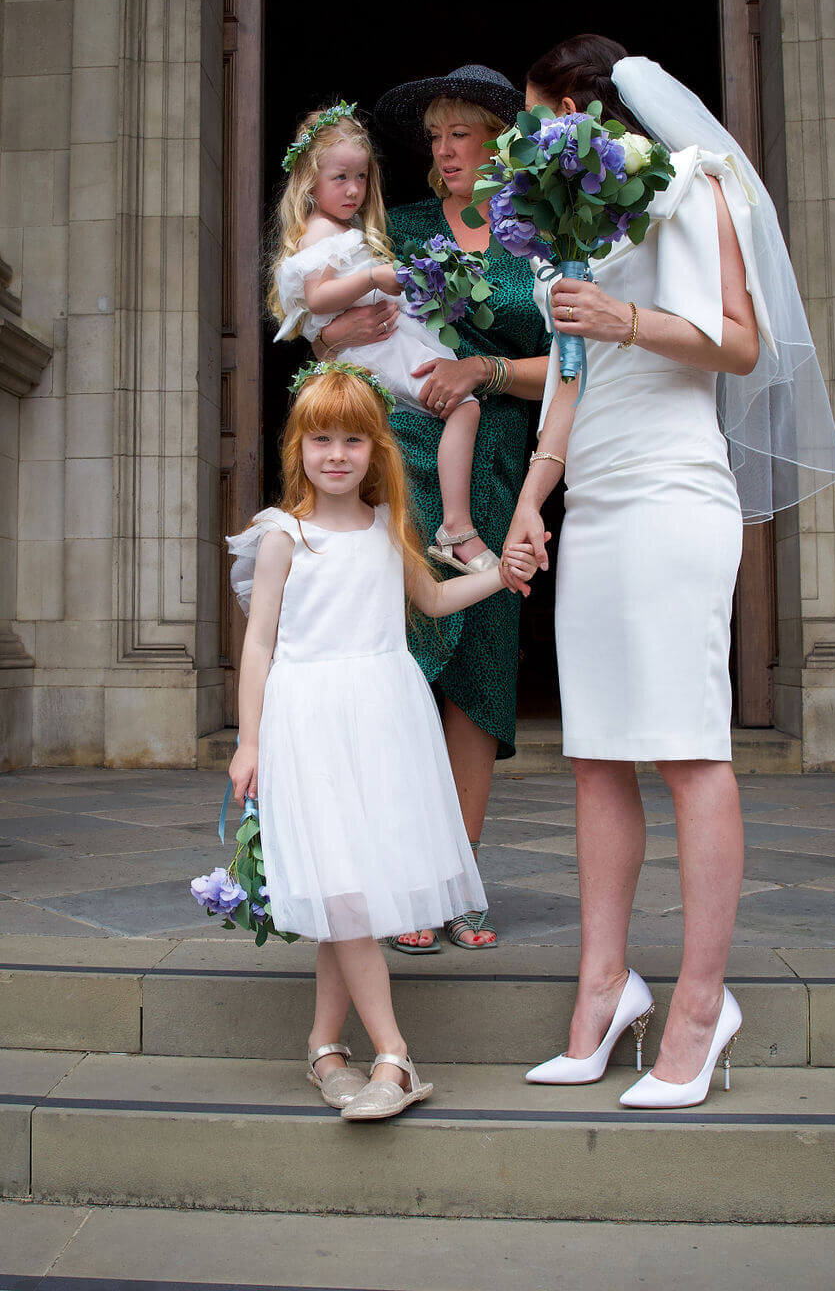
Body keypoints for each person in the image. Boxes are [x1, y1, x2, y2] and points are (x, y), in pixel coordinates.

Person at [503, 35, 835, 1108]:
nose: (525, 136)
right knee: (596, 754)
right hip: (598, 504)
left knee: (689, 751)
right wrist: (528, 504)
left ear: (581, 106)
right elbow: (569, 373)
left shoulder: (688, 184)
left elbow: (739, 343)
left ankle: (701, 1003)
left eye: (533, 114)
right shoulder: (571, 223)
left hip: (672, 495)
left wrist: (627, 318)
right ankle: (604, 988)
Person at [226, 362, 538, 1119]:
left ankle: (324, 1047)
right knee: (347, 893)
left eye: (354, 441)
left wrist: (502, 575)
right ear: (298, 447)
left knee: (351, 885)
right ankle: (395, 1057)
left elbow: (432, 596)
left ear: (378, 450)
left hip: (384, 717)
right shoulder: (284, 538)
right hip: (309, 719)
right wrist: (248, 741)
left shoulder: (386, 528)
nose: (336, 455)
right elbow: (260, 644)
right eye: (321, 439)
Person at [315, 65, 551, 952]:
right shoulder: (398, 229)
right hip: (398, 460)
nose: (444, 151)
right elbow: (324, 325)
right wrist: (339, 334)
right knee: (402, 661)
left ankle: (463, 876)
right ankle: (407, 875)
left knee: (481, 672)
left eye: (462, 135)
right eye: (437, 137)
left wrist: (484, 370)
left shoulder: (541, 238)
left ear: (501, 145)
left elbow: (576, 366)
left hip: (495, 463)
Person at [268, 102, 498, 575]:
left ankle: (454, 523)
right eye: (340, 178)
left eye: (362, 177)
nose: (354, 190)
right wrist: (375, 274)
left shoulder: (345, 229)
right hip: (377, 349)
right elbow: (318, 298)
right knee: (465, 406)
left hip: (385, 341)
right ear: (309, 182)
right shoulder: (321, 233)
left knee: (463, 405)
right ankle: (456, 527)